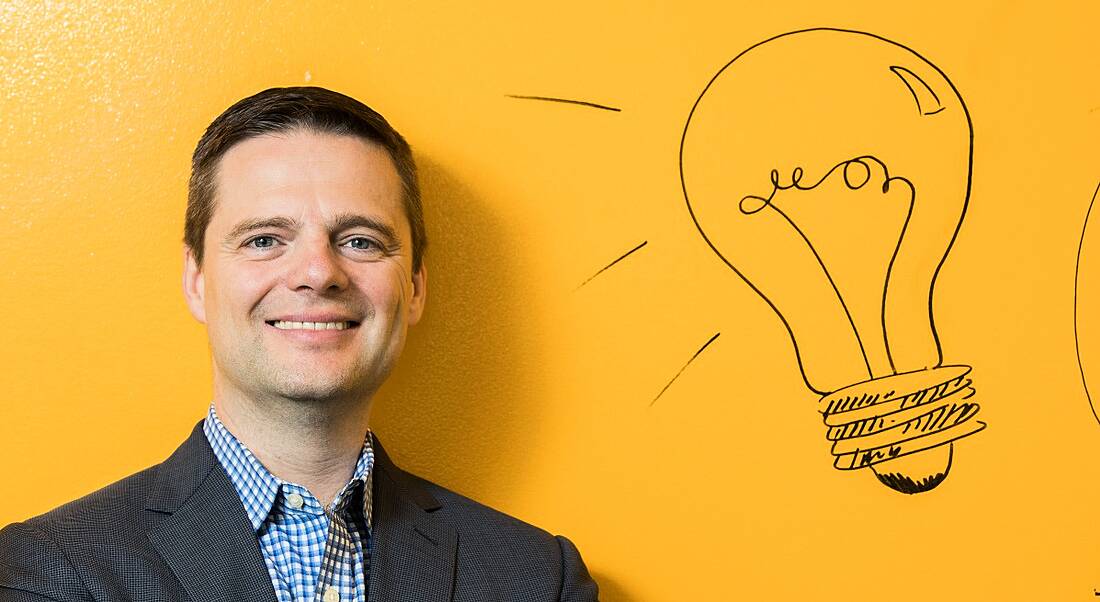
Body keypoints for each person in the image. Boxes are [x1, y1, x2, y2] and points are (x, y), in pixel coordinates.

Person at [0, 86, 599, 602]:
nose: (318, 272)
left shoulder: (535, 578)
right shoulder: (48, 572)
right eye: (264, 239)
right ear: (197, 280)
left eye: (361, 241)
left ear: (414, 287)